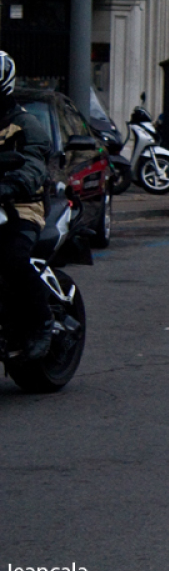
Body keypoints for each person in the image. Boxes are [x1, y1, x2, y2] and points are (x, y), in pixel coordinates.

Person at [0, 51, 56, 360]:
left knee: (11, 258)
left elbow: (35, 164)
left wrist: (12, 182)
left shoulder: (25, 124)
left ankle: (41, 322)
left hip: (22, 204)